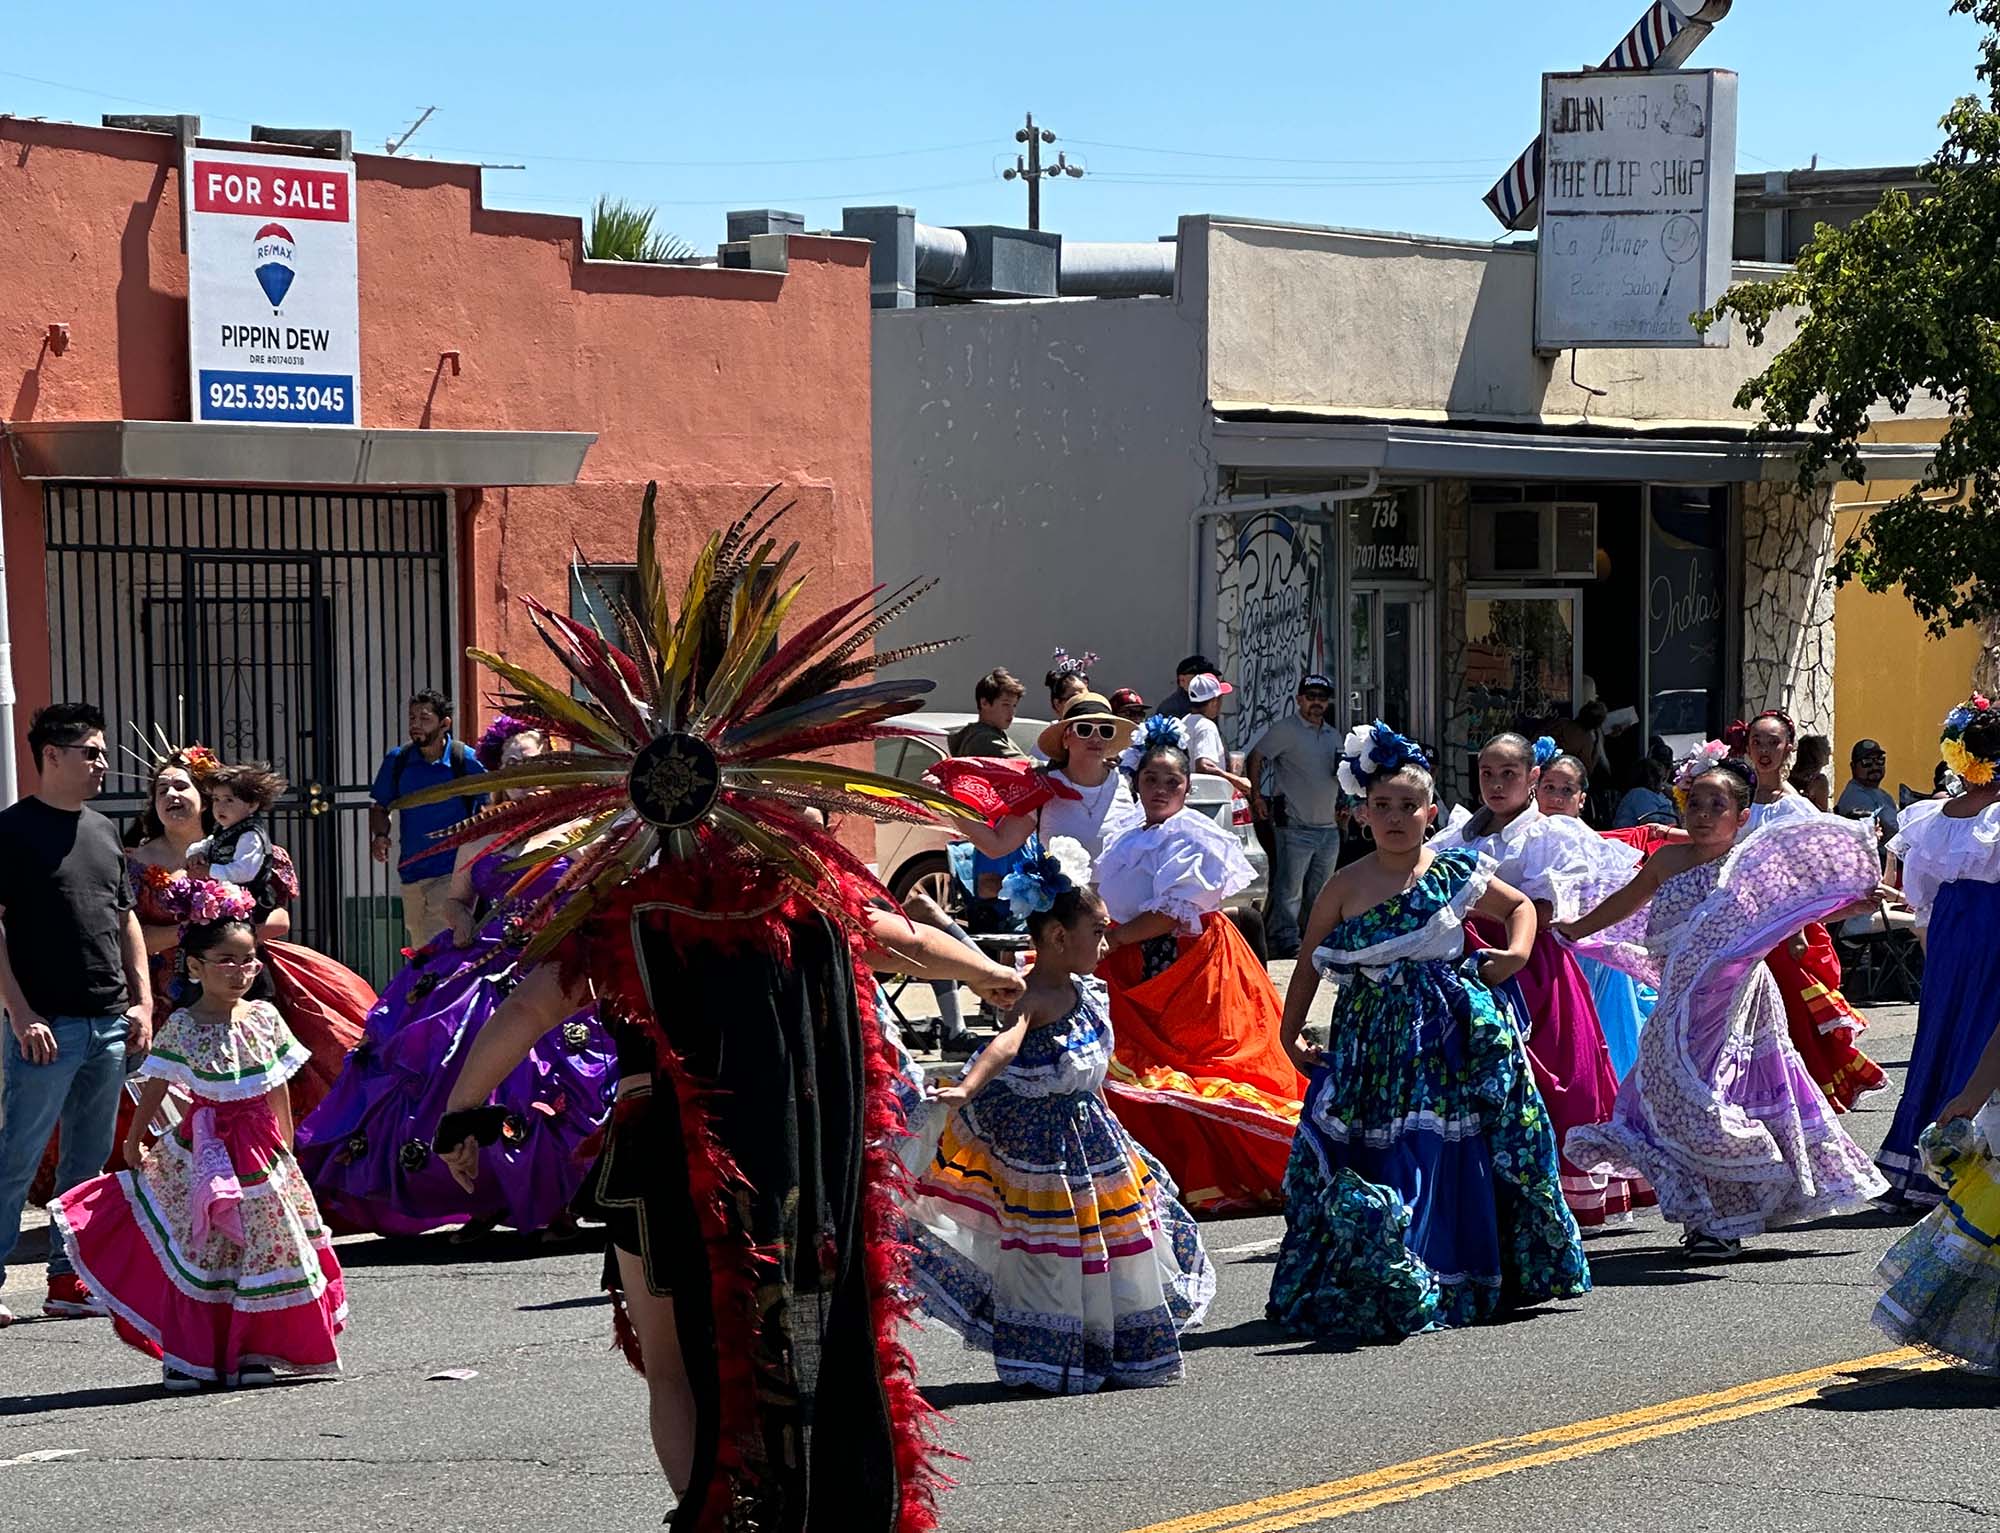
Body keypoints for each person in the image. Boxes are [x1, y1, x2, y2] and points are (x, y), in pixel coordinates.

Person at [418, 499, 1021, 1527]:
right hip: (810, 1170)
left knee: (674, 1366)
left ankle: (712, 1514)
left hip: (666, 1168)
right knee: (818, 1336)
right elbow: (900, 939)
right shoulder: (807, 896)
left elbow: (527, 1006)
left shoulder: (623, 914)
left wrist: (460, 1113)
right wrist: (985, 978)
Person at [1265, 722, 1590, 1340]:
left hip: (1444, 1034)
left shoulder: (1453, 870)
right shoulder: (1345, 884)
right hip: (1369, 1041)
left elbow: (1520, 907)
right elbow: (1308, 961)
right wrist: (1289, 1033)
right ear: (1361, 814)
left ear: (1430, 811)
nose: (1394, 818)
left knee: (1443, 1148)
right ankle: (1384, 1269)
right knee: (1374, 1150)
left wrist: (1517, 954)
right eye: (1381, 807)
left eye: (1408, 807)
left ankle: (1447, 1272)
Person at [900, 851, 1214, 1393]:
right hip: (1044, 1152)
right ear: (1057, 937)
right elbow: (1005, 1043)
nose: (1105, 942)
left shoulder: (1086, 989)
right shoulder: (1031, 994)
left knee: (1121, 1240)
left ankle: (1119, 1347)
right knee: (1055, 1253)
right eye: (1097, 931)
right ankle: (1053, 1356)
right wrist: (969, 1086)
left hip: (1096, 1139)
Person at [1559, 754, 1890, 1261]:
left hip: (1736, 1001)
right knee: (1667, 1090)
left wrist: (1853, 903)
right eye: (1696, 802)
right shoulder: (1668, 860)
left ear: (1741, 817)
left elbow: (1792, 915)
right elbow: (1627, 903)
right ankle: (1708, 1213)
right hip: (1678, 996)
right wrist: (1574, 931)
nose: (1705, 813)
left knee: (1712, 1096)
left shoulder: (1749, 865)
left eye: (1719, 804)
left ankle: (1721, 1222)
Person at [295, 718, 616, 1240]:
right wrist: (461, 918)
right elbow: (457, 897)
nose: (525, 776)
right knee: (450, 1050)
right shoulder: (485, 834)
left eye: (536, 764)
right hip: (487, 958)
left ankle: (557, 1201)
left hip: (559, 966)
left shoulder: (580, 831)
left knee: (555, 1077)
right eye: (514, 766)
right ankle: (484, 1199)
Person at [49, 912, 345, 1390]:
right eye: (226, 961)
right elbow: (156, 1083)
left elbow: (277, 1087)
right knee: (201, 1249)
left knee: (266, 1246)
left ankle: (256, 1350)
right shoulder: (184, 1024)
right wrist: (133, 1138)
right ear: (195, 966)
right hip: (201, 1148)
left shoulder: (265, 1017)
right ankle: (188, 1357)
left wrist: (286, 1145)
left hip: (260, 1152)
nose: (240, 971)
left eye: (248, 961)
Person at [1429, 732, 1648, 1228]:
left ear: (1532, 778)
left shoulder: (1552, 836)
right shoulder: (1457, 836)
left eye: (1509, 774)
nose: (1496, 784)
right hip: (1466, 970)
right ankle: (1484, 1192)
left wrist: (1497, 914)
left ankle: (1551, 1196)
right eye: (1487, 773)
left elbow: (1550, 909)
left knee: (1550, 1075)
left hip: (1534, 969)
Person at [1093, 723, 1304, 1212]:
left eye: (1172, 781)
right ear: (1136, 782)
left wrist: (1116, 938)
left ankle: (1231, 1166)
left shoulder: (1192, 836)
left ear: (1187, 787)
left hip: (1186, 965)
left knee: (1195, 1062)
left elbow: (1173, 910)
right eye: (1151, 779)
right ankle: (1162, 1167)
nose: (1161, 790)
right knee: (1137, 1065)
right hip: (1130, 960)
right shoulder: (1127, 833)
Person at [124, 749, 372, 1136]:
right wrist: (192, 931)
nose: (171, 795)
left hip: (239, 982)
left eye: (181, 786)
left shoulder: (244, 850)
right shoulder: (132, 863)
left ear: (205, 799)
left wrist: (229, 938)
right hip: (163, 995)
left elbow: (280, 919)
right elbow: (131, 935)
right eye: (161, 789)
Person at [0, 703, 152, 1328]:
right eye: (91, 752)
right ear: (51, 756)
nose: (103, 764)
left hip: (108, 1021)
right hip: (46, 1026)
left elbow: (124, 919)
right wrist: (19, 1011)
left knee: (87, 1162)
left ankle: (69, 1279)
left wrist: (141, 1000)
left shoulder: (103, 831)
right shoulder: (10, 832)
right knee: (17, 1155)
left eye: (102, 751)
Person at [1874, 698, 2000, 1203]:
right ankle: (1952, 1162)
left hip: (1962, 940)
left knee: (1960, 1035)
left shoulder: (1941, 820)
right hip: (1974, 939)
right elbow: (1922, 899)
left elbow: (1923, 902)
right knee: (1965, 1034)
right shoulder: (1936, 819)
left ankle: (1945, 1158)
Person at [1736, 711, 1889, 1111]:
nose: (1764, 750)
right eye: (1757, 742)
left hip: (1785, 931)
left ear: (1789, 748)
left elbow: (1813, 879)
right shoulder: (1736, 801)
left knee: (1791, 1015)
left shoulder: (1797, 810)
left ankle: (1798, 1094)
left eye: (1773, 742)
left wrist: (1800, 929)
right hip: (1742, 926)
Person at [1537, 748, 1656, 1081]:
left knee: (1599, 1027)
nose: (1557, 798)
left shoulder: (1597, 847)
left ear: (1581, 798)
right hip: (1537, 954)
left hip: (1588, 954)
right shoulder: (1522, 838)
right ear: (1535, 789)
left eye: (1567, 790)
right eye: (1549, 787)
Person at [959, 692, 1140, 867]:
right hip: (1061, 898)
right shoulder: (1043, 786)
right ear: (1065, 738)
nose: (1095, 738)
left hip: (1120, 899)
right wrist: (947, 805)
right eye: (1084, 729)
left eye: (1105, 731)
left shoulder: (1127, 785)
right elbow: (997, 845)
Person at [369, 689, 488, 946]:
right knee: (420, 943)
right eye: (412, 718)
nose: (415, 726)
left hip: (452, 873)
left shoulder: (464, 760)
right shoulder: (398, 760)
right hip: (411, 873)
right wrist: (380, 836)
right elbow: (380, 807)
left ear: (445, 724)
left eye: (424, 719)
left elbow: (492, 799)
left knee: (437, 945)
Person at [1246, 674, 1343, 960]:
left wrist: (1344, 803)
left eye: (1322, 697)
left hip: (1329, 827)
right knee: (1289, 891)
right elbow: (1257, 756)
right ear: (1299, 699)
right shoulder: (1285, 730)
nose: (1316, 703)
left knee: (1321, 891)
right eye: (1311, 696)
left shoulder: (1333, 735)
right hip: (1294, 826)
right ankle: (1284, 940)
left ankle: (1314, 938)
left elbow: (1338, 774)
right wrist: (1256, 796)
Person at [187, 761, 287, 923]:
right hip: (228, 899)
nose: (220, 806)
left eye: (229, 800)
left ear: (252, 805)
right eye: (216, 799)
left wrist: (209, 870)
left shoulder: (250, 835)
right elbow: (211, 843)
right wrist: (195, 852)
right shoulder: (225, 828)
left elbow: (244, 872)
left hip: (251, 904)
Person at [1180, 672, 1253, 796]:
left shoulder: (1185, 721)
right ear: (1214, 701)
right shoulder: (1206, 726)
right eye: (1220, 698)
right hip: (1206, 799)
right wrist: (1236, 780)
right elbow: (1203, 766)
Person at [946, 668, 1027, 759]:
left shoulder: (995, 734)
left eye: (1014, 705)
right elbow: (1024, 767)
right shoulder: (983, 739)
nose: (1012, 711)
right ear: (984, 703)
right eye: (1005, 704)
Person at [1835, 737, 1900, 839]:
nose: (1874, 767)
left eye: (1879, 760)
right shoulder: (1855, 797)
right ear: (1853, 767)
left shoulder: (1884, 795)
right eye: (1867, 762)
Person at [1614, 755, 1679, 829]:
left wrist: (1675, 802)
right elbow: (1650, 824)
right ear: (1653, 779)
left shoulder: (1658, 795)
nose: (1663, 784)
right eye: (1661, 779)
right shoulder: (1640, 794)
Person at [1159, 653, 1219, 722]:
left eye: (1209, 676)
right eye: (1199, 676)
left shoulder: (1208, 702)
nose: (1205, 680)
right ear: (1182, 680)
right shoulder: (1170, 709)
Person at [1044, 647, 1096, 716]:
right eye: (1075, 698)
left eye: (1086, 697)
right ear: (1057, 704)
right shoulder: (1052, 727)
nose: (1083, 703)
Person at [1791, 734, 1834, 812]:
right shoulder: (1819, 781)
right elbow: (1822, 811)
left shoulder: (1789, 778)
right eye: (1827, 749)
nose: (1830, 752)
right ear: (1817, 754)